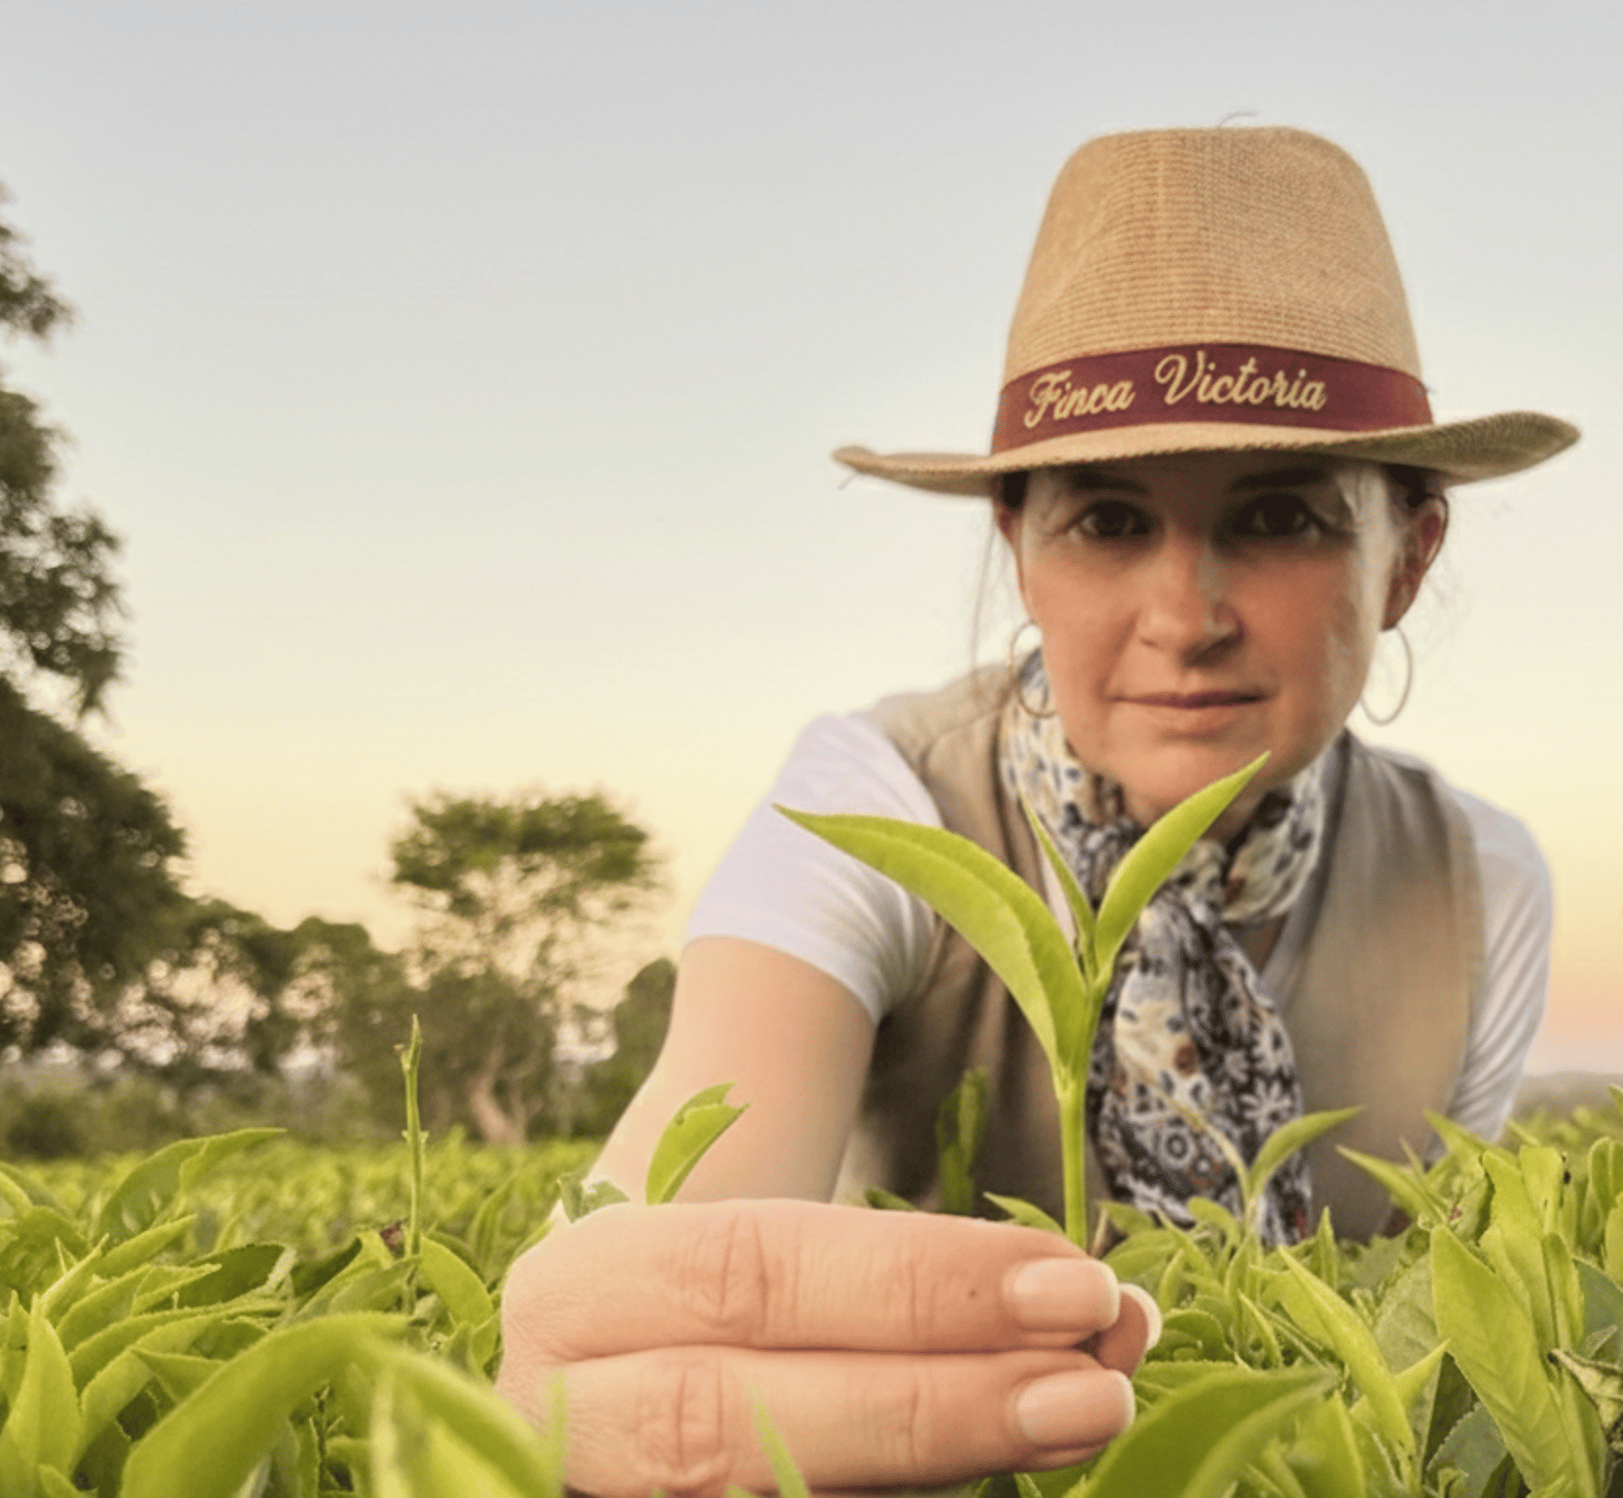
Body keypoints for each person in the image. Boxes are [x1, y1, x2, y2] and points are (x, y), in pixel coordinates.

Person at [497, 124, 1576, 1497]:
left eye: (1286, 516)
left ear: (1407, 556)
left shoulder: (1477, 886)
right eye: (1109, 520)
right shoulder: (875, 801)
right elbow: (702, 1157)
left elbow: (1427, 1334)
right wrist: (607, 1350)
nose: (1186, 618)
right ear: (1018, 543)